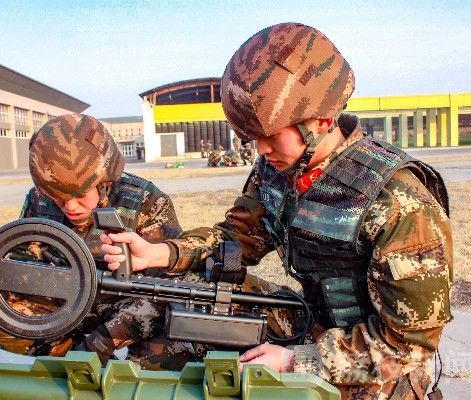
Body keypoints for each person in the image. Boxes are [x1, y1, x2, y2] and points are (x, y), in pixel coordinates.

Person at [102, 23, 452, 399]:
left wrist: (294, 362)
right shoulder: (278, 170)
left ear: (321, 121)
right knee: (186, 299)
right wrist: (159, 253)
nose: (261, 150)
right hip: (310, 322)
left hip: (377, 359)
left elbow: (407, 344)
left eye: (270, 137)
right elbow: (237, 239)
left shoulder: (399, 203)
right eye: (253, 139)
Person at [0, 114, 189, 367]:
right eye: (59, 198)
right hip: (65, 303)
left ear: (104, 182)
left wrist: (105, 338)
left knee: (155, 360)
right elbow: (20, 265)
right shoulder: (40, 200)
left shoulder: (145, 200)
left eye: (80, 195)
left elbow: (167, 291)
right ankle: (70, 354)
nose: (70, 207)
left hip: (125, 310)